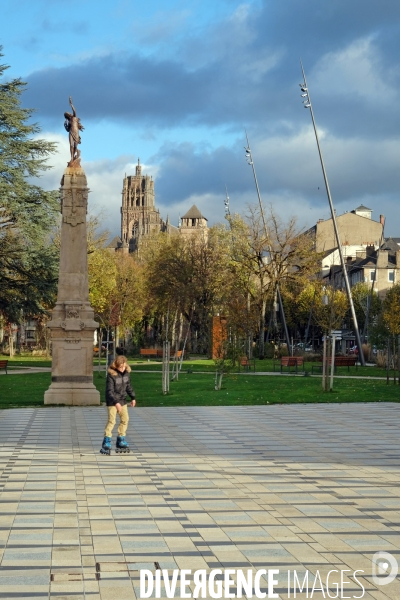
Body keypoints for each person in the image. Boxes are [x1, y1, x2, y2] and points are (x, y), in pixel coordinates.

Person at [100, 355, 136, 455]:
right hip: (112, 401)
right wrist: (116, 403)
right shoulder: (111, 375)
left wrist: (133, 397)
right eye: (120, 367)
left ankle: (121, 438)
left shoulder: (126, 374)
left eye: (124, 366)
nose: (122, 369)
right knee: (112, 421)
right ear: (116, 366)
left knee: (125, 419)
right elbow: (109, 391)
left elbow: (128, 386)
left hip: (122, 400)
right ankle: (106, 441)